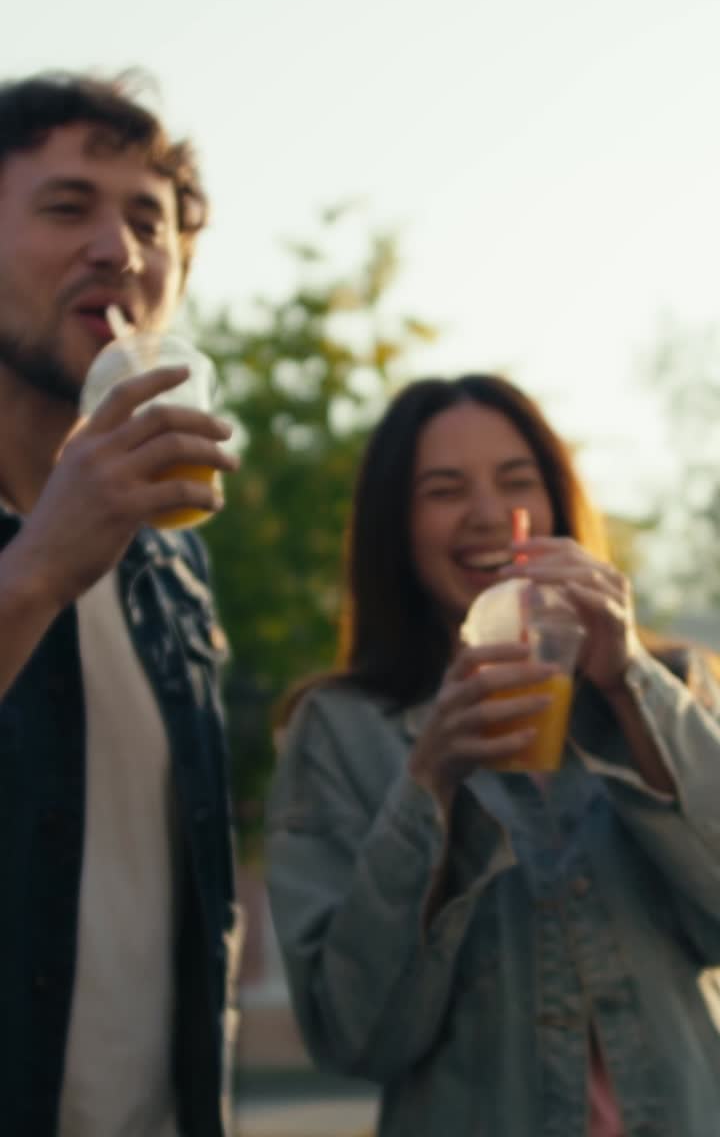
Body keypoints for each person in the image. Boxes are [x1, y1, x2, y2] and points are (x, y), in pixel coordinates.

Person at [266, 373, 720, 1137]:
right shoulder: (340, 730)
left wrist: (629, 683)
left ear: (558, 504)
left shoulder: (662, 688)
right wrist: (431, 784)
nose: (489, 516)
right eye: (444, 490)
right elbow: (355, 1034)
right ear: (396, 527)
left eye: (517, 482)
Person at [0, 73, 242, 1137]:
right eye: (68, 207)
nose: (120, 249)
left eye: (148, 221)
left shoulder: (170, 563)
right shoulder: (56, 554)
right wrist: (35, 570)